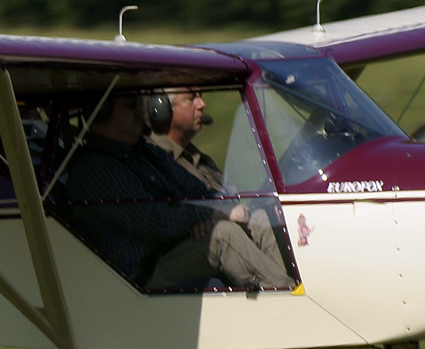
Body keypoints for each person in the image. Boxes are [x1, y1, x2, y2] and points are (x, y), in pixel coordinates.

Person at [60, 93, 289, 291]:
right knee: (223, 236)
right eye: (131, 104)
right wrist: (208, 216)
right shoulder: (94, 170)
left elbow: (202, 192)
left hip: (177, 248)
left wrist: (213, 211)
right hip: (139, 276)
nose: (142, 111)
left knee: (258, 220)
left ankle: (285, 297)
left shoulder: (146, 152)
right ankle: (291, 298)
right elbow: (155, 222)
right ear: (101, 111)